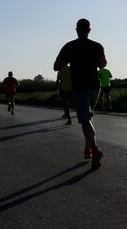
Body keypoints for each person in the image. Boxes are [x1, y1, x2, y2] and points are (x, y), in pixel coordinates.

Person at [53, 18, 107, 170]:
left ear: (76, 30)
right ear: (89, 30)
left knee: (85, 119)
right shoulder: (97, 46)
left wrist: (68, 60)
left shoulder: (70, 46)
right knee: (87, 117)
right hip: (95, 86)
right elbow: (102, 64)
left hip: (79, 87)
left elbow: (56, 66)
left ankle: (95, 150)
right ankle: (88, 149)